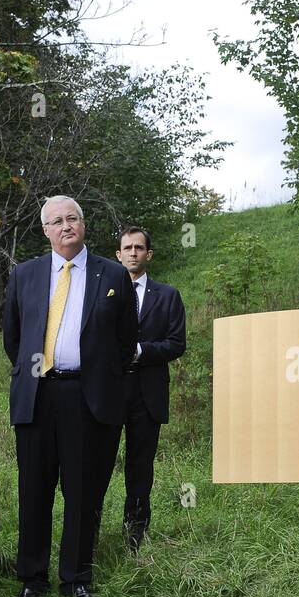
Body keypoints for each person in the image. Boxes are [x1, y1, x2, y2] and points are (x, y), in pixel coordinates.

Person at [3, 196, 137, 597]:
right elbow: (14, 337)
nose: (65, 226)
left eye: (72, 218)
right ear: (45, 230)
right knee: (34, 490)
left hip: (87, 396)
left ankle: (76, 579)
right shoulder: (24, 274)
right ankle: (31, 580)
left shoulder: (112, 273)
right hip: (39, 395)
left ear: (83, 224)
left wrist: (96, 375)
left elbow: (124, 338)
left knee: (82, 491)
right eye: (56, 221)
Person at [115, 226, 186, 551]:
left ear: (148, 254)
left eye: (139, 247)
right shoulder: (103, 293)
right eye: (127, 248)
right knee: (97, 463)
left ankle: (136, 535)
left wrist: (141, 351)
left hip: (148, 393)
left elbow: (176, 343)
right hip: (109, 391)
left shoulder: (168, 295)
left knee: (140, 465)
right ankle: (90, 528)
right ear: (118, 254)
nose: (133, 252)